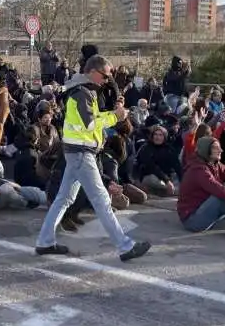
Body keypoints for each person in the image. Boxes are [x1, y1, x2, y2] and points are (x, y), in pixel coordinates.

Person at [35, 54, 151, 262]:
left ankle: (45, 241)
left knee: (64, 199)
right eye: (105, 76)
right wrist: (115, 116)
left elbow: (89, 122)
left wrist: (113, 112)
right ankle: (125, 246)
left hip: (77, 152)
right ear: (92, 72)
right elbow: (90, 124)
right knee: (101, 200)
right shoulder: (82, 93)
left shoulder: (82, 91)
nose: (107, 80)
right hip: (81, 153)